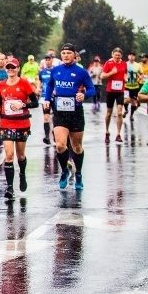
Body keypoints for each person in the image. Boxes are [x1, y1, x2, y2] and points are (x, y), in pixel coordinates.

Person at [43, 43, 96, 190]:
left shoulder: (81, 72)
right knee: (60, 145)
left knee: (77, 147)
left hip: (76, 113)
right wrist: (47, 99)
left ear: (74, 55)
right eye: (63, 53)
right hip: (60, 112)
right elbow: (50, 86)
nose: (66, 55)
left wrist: (83, 95)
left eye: (68, 53)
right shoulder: (56, 70)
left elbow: (92, 90)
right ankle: (65, 171)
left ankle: (78, 173)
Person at [0, 58, 38, 200]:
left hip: (22, 123)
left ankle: (22, 175)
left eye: (13, 67)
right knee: (9, 155)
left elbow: (35, 103)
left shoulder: (24, 83)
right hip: (6, 123)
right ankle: (10, 187)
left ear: (18, 68)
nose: (10, 70)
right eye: (8, 67)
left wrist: (23, 106)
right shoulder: (1, 85)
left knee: (20, 155)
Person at [101, 47, 127, 144]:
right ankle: (107, 131)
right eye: (115, 55)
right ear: (112, 55)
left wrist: (126, 78)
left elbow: (125, 73)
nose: (117, 57)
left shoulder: (124, 64)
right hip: (110, 91)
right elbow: (102, 76)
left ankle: (118, 134)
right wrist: (111, 73)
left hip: (120, 90)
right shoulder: (109, 63)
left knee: (120, 113)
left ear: (121, 56)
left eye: (119, 56)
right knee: (109, 113)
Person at [38, 53, 55, 144]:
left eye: (49, 60)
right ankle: (47, 137)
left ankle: (55, 133)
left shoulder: (56, 70)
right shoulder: (42, 72)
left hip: (55, 97)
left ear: (52, 60)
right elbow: (40, 82)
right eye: (46, 60)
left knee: (55, 117)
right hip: (45, 97)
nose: (48, 61)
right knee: (46, 117)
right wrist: (38, 88)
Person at [124, 51, 141, 121]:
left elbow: (141, 74)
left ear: (135, 57)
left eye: (133, 55)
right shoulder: (125, 64)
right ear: (128, 56)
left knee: (133, 101)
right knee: (125, 100)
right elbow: (123, 72)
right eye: (130, 55)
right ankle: (126, 110)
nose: (131, 57)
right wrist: (124, 78)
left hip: (135, 86)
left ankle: (131, 115)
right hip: (126, 85)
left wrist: (139, 78)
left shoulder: (138, 65)